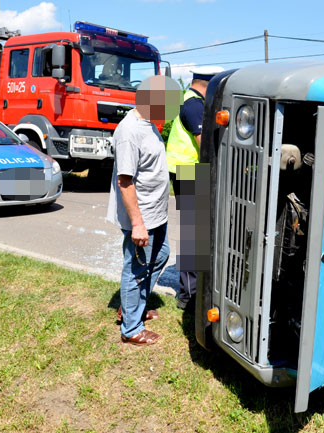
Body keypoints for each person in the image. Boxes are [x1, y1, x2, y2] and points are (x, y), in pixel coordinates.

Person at [107, 76, 183, 345]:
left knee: (160, 255)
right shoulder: (129, 132)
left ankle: (131, 308)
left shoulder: (148, 123)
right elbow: (124, 181)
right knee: (137, 268)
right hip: (142, 216)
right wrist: (137, 224)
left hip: (155, 213)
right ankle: (131, 329)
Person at [166, 66, 223, 310]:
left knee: (196, 234)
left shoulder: (193, 101)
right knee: (194, 237)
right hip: (189, 172)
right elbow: (204, 146)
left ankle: (193, 292)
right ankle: (188, 297)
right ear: (208, 84)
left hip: (188, 171)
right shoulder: (194, 105)